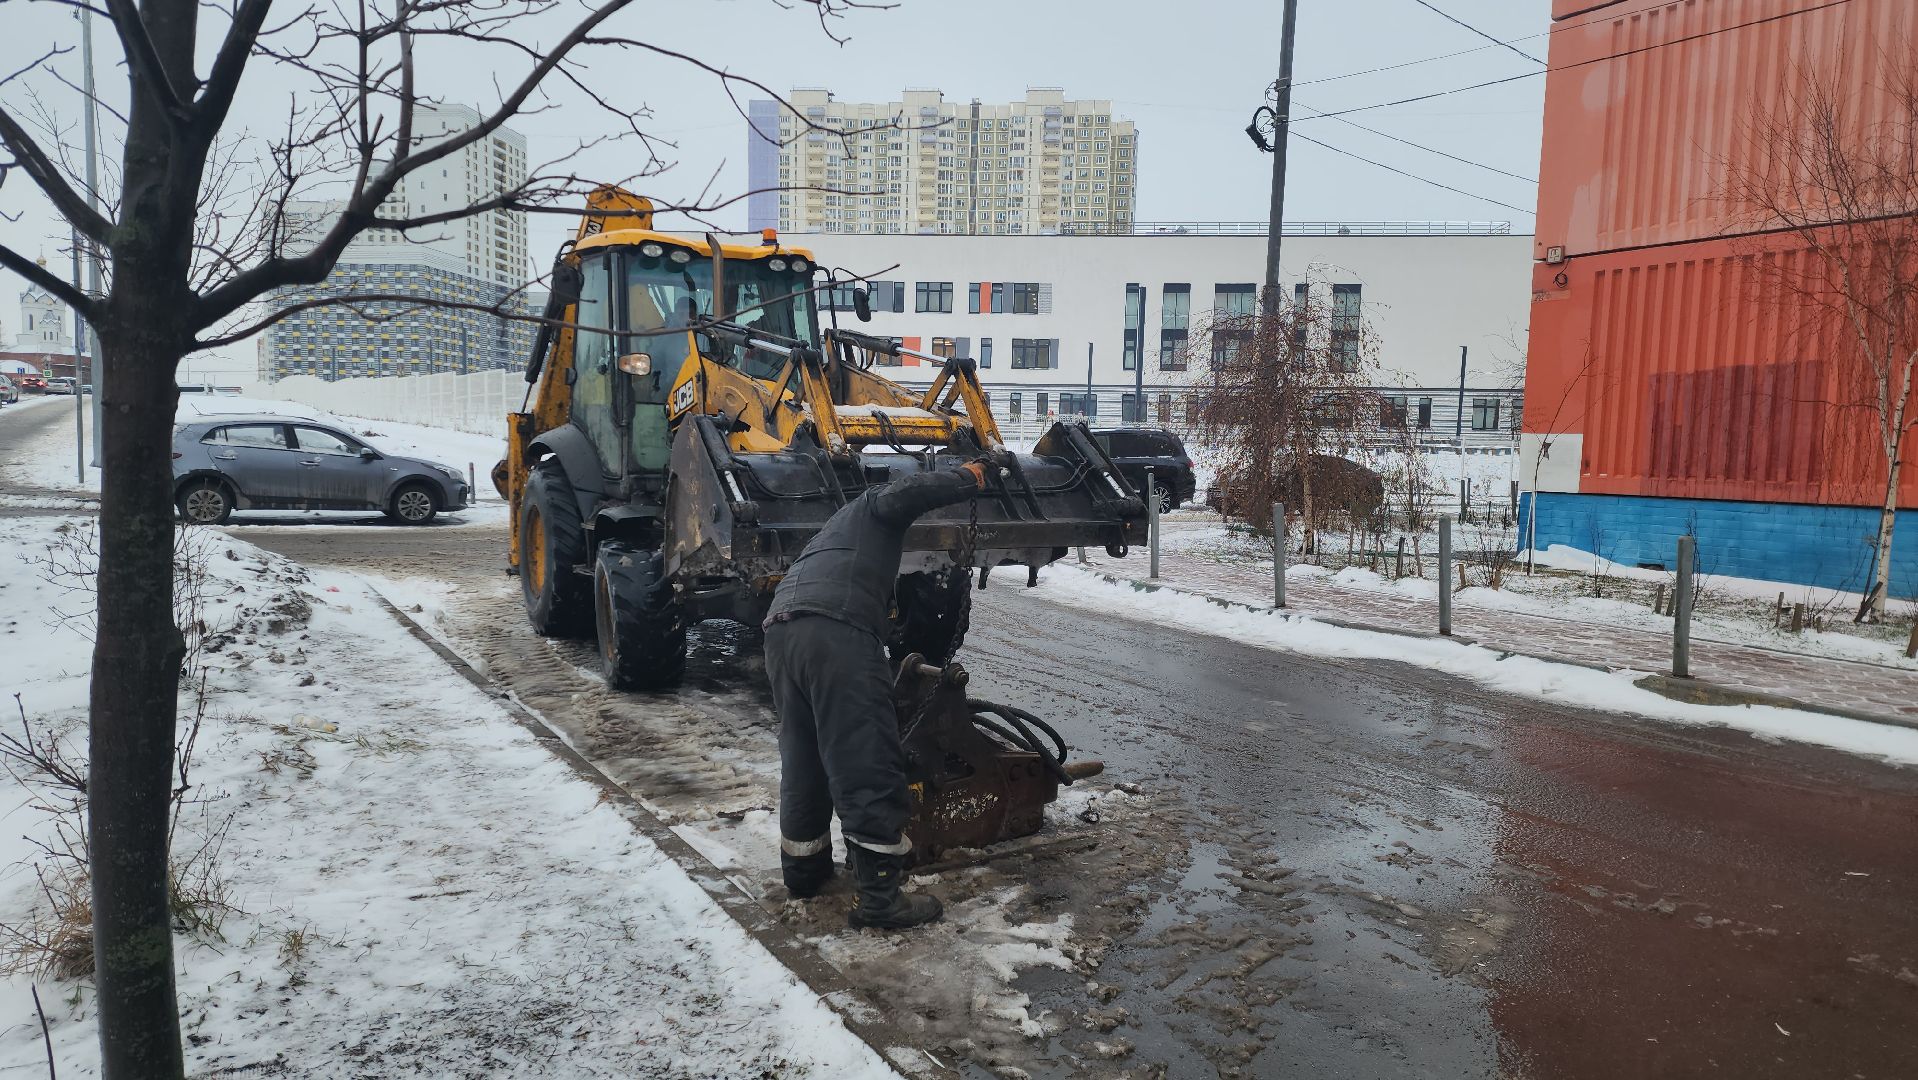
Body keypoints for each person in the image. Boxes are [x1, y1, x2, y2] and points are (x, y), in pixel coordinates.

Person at [763, 457, 992, 929]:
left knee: (805, 757)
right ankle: (880, 898)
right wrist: (968, 477)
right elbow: (904, 494)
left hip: (783, 632)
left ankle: (804, 870)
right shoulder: (870, 505)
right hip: (837, 630)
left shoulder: (829, 534)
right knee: (865, 757)